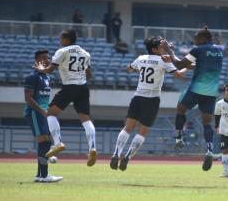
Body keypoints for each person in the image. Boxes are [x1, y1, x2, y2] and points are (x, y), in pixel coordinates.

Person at [110, 37, 186, 171]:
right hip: (152, 99)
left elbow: (129, 68)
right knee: (143, 131)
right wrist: (187, 67)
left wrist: (136, 69)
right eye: (161, 47)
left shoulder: (141, 58)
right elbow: (179, 75)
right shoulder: (163, 60)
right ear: (155, 49)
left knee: (127, 128)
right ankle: (127, 156)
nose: (163, 48)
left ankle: (116, 153)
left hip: (137, 97)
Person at [161, 26, 223, 171]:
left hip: (197, 88)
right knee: (207, 122)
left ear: (202, 38)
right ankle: (209, 150)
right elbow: (201, 64)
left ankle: (178, 137)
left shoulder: (198, 50)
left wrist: (169, 50)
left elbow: (179, 64)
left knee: (181, 108)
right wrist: (189, 65)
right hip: (212, 91)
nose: (195, 41)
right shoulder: (219, 50)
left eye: (196, 38)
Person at [34, 29, 96, 167]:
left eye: (61, 38)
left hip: (69, 87)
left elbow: (50, 69)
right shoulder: (85, 53)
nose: (59, 41)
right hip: (83, 88)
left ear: (67, 39)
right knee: (86, 118)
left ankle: (58, 143)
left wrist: (40, 69)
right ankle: (92, 147)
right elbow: (89, 74)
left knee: (51, 113)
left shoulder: (62, 51)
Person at [24, 49, 62, 183]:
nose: (47, 60)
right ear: (36, 61)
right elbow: (28, 98)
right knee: (44, 142)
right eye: (44, 58)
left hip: (43, 113)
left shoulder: (47, 77)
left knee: (46, 142)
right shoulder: (32, 77)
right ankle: (44, 175)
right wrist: (41, 111)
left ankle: (40, 175)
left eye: (48, 58)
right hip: (35, 113)